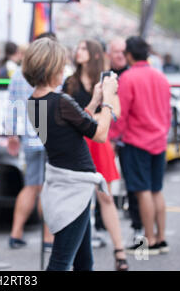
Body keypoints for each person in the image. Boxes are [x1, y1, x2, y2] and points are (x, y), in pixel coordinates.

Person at [24, 37, 118, 271]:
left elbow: (70, 126)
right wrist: (108, 101)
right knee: (60, 263)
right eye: (62, 65)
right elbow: (99, 134)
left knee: (84, 262)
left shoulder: (34, 101)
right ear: (52, 67)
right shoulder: (60, 100)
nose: (65, 70)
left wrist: (95, 99)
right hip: (73, 188)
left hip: (66, 184)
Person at [63, 39, 128, 271]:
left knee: (106, 198)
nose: (78, 51)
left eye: (82, 48)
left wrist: (98, 114)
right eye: (77, 47)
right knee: (76, 200)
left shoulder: (105, 81)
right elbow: (67, 116)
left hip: (99, 144)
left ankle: (119, 251)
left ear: (93, 53)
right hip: (78, 143)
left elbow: (117, 111)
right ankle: (71, 252)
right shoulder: (70, 82)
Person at [109, 36, 172, 256]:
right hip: (159, 140)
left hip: (136, 141)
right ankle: (161, 238)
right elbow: (167, 112)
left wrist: (112, 136)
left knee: (142, 191)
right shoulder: (160, 77)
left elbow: (122, 113)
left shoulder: (128, 78)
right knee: (156, 190)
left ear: (129, 54)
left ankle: (150, 240)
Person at [5, 32, 55, 251]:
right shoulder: (53, 74)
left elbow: (11, 107)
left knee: (31, 186)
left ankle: (16, 233)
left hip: (29, 136)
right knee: (48, 187)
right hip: (52, 137)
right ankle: (48, 239)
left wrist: (12, 134)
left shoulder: (19, 74)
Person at [107, 37, 143, 242]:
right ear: (109, 54)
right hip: (107, 135)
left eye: (123, 51)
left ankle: (138, 229)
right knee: (105, 182)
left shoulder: (132, 76)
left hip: (130, 138)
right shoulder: (102, 75)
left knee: (134, 185)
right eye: (115, 52)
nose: (119, 55)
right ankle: (101, 225)